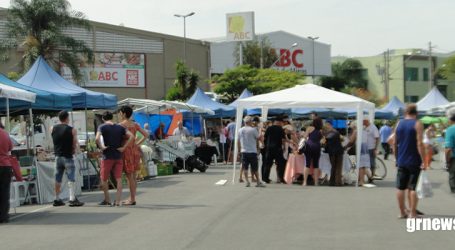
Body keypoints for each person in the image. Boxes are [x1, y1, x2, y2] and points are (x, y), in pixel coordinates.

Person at [393, 104, 425, 218]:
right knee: (413, 187)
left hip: (402, 159)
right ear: (416, 113)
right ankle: (412, 213)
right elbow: (420, 143)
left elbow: (394, 142)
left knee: (400, 187)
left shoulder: (399, 124)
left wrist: (396, 157)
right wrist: (424, 160)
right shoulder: (417, 124)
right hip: (414, 160)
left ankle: (402, 212)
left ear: (405, 112)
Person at [96, 111, 133, 206]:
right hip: (118, 155)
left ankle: (107, 199)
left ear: (103, 119)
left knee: (104, 178)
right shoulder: (120, 127)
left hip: (107, 156)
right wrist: (124, 148)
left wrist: (102, 147)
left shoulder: (102, 127)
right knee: (119, 179)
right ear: (112, 117)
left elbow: (97, 138)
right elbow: (132, 136)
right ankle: (117, 201)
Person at [51, 110, 84, 207]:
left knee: (58, 179)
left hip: (57, 156)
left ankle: (56, 198)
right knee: (71, 178)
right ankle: (72, 198)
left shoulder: (52, 128)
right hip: (68, 156)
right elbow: (74, 143)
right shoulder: (72, 130)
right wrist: (74, 150)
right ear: (67, 118)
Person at [119, 106, 149, 206]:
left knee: (129, 176)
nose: (119, 114)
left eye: (120, 113)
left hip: (126, 151)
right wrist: (137, 144)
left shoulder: (121, 125)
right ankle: (132, 197)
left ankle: (132, 199)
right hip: (135, 151)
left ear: (123, 114)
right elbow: (146, 134)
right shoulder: (135, 124)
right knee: (134, 177)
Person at [238, 116, 265, 187]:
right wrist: (263, 143)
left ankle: (247, 181)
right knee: (255, 167)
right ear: (250, 122)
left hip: (244, 151)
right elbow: (258, 138)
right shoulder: (253, 130)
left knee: (245, 167)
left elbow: (238, 141)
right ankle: (258, 181)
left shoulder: (240, 130)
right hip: (252, 151)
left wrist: (239, 150)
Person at [263, 117, 286, 184]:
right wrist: (283, 147)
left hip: (269, 148)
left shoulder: (269, 128)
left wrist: (265, 145)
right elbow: (283, 139)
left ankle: (265, 179)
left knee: (267, 164)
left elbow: (265, 137)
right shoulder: (280, 129)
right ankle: (281, 179)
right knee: (280, 165)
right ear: (279, 122)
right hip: (277, 148)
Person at [303, 117, 323, 186]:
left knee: (307, 164)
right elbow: (322, 140)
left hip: (309, 146)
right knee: (316, 165)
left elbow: (305, 137)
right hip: (317, 147)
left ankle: (305, 182)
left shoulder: (309, 128)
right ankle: (316, 182)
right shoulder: (321, 130)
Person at [0, 121, 13, 223]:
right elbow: (10, 148)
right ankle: (4, 216)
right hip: (6, 165)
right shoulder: (5, 133)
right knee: (5, 192)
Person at [324, 121, 344, 186]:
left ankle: (332, 181)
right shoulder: (336, 132)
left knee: (333, 166)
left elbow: (324, 143)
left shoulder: (326, 134)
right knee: (338, 166)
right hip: (338, 151)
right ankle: (337, 182)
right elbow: (342, 138)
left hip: (331, 152)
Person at [445, 107, 455, 193]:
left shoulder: (450, 129)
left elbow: (448, 148)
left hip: (454, 158)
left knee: (452, 176)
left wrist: (447, 160)